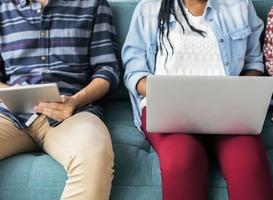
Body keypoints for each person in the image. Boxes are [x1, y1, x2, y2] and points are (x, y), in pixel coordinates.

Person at [122, 0, 273, 199]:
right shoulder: (148, 8)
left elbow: (254, 63)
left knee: (248, 162)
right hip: (169, 110)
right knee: (181, 161)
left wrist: (240, 95)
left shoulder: (239, 5)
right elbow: (135, 72)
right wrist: (167, 94)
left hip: (228, 109)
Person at [0, 0, 119, 199]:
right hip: (11, 114)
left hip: (73, 113)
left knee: (94, 155)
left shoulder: (94, 4)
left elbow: (107, 71)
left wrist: (75, 101)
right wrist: (9, 91)